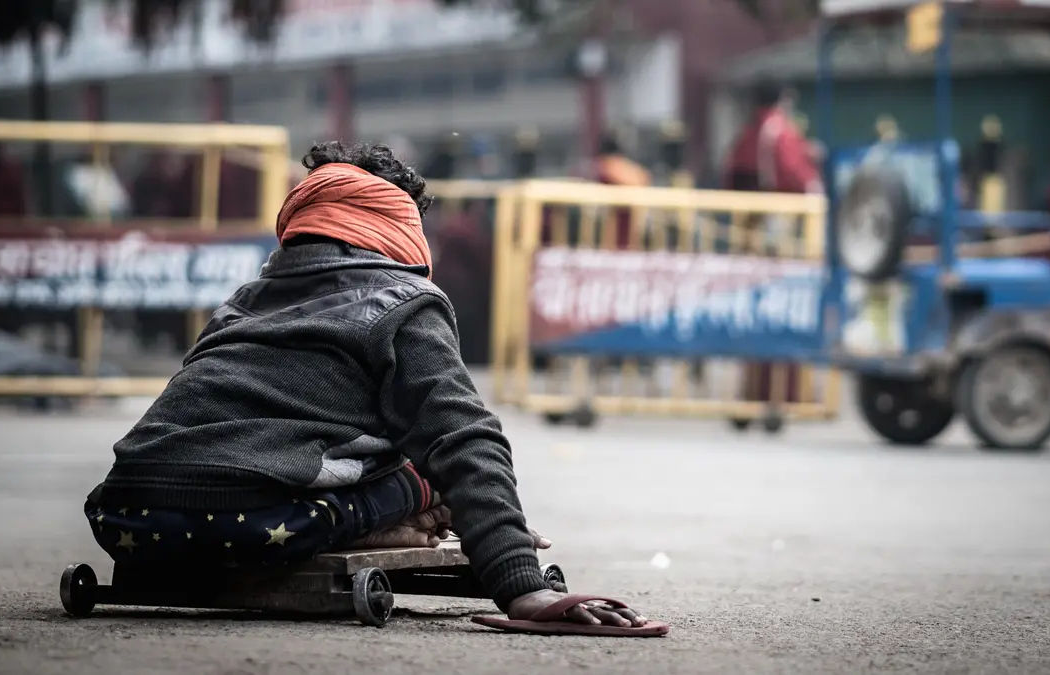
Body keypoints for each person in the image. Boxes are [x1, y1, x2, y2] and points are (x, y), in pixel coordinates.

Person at [83, 141, 654, 632]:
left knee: (353, 451)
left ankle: (393, 513)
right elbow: (464, 438)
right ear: (401, 227)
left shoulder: (241, 304)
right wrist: (521, 582)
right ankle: (411, 512)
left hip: (127, 514)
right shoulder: (403, 301)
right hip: (257, 519)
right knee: (427, 475)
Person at [724, 82, 823, 409]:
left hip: (756, 234)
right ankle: (784, 392)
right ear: (783, 99)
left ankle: (757, 389)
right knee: (785, 309)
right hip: (782, 235)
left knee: (757, 311)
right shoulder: (778, 130)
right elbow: (797, 176)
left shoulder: (750, 132)